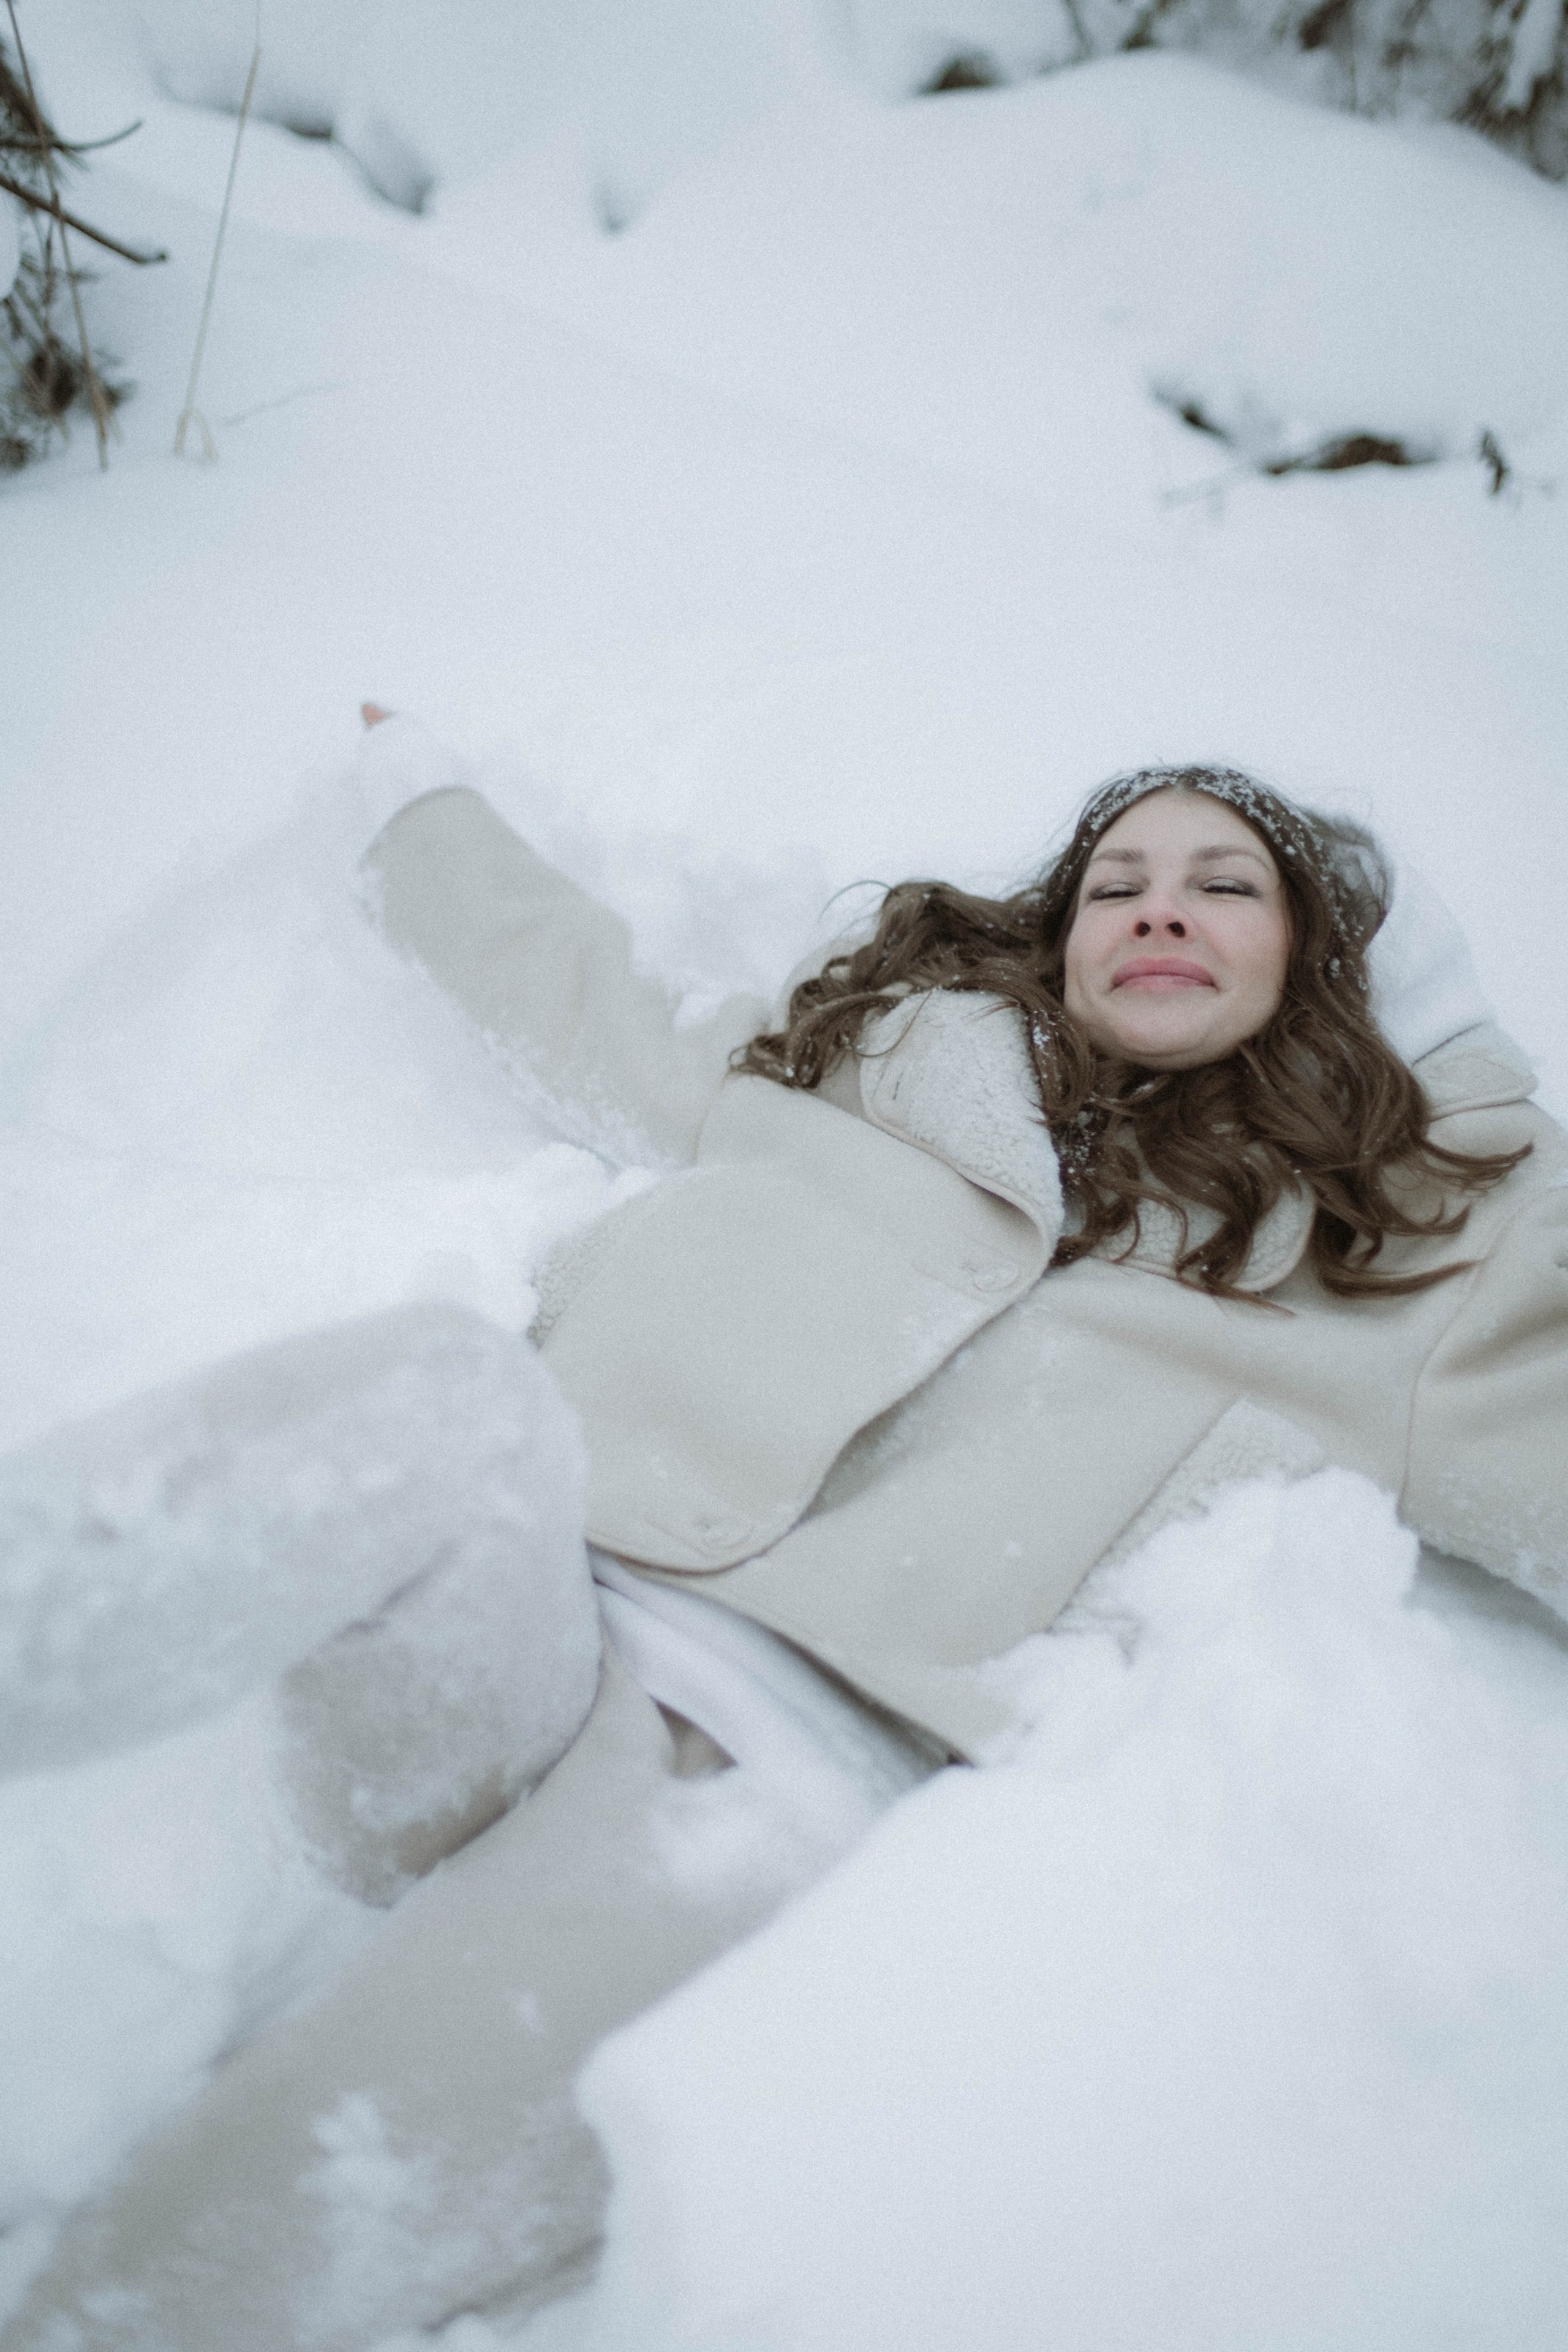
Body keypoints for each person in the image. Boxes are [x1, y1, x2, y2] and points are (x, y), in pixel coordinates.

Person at [4, 724, 1565, 2351]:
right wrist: (408, 816)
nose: (1159, 910)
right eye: (1119, 882)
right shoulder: (878, 1061)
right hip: (526, 1607)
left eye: (1224, 885)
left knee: (241, 2230)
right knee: (445, 1393)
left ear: (1325, 959)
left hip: (760, 1789)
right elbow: (584, 1003)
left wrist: (1484, 1138)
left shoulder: (1409, 1269)